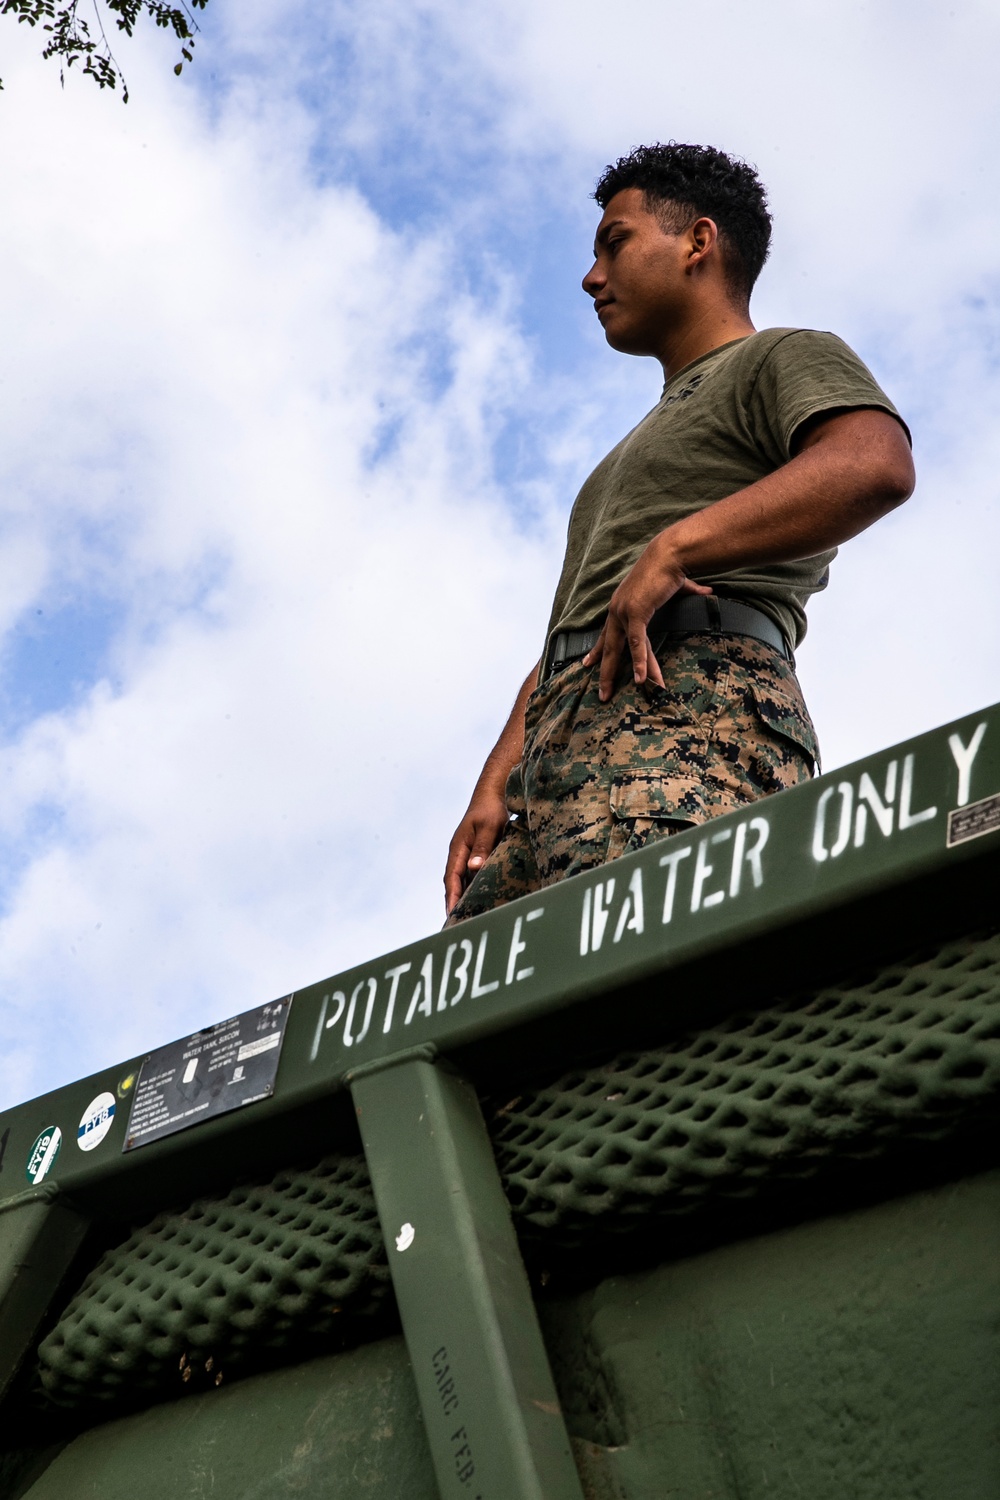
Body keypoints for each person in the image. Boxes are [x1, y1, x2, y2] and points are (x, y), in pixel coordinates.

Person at [444, 142, 914, 922]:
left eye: (615, 243)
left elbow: (874, 463)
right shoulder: (622, 454)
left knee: (652, 993)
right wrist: (496, 780)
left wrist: (677, 548)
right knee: (496, 1016)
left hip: (687, 714)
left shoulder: (781, 357)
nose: (592, 277)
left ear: (698, 241)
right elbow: (582, 624)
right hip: (563, 758)